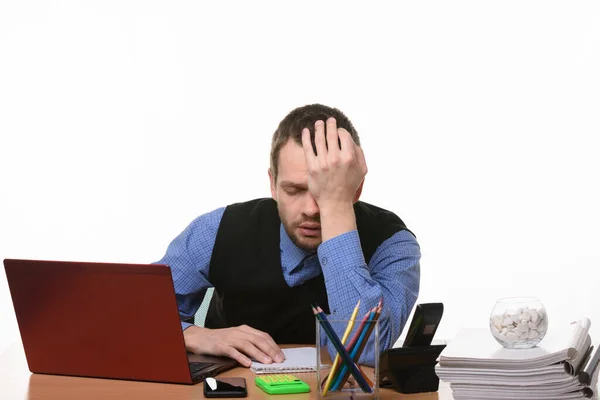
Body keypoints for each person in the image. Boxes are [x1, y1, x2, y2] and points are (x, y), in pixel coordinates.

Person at [155, 104, 420, 368]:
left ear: (356, 188)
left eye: (323, 191)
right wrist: (193, 334)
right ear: (272, 184)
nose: (310, 209)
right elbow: (132, 316)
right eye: (294, 190)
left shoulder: (392, 244)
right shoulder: (217, 229)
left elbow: (364, 351)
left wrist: (336, 208)